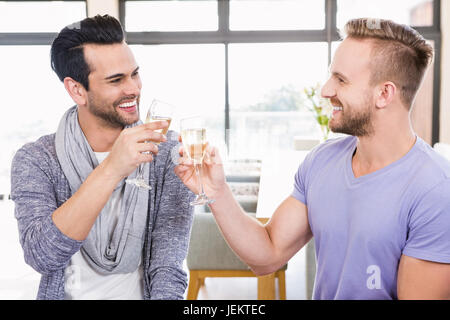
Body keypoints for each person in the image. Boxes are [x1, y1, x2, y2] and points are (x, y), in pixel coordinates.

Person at [175, 18, 450, 299]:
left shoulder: (435, 191)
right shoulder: (322, 161)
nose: (325, 90)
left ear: (384, 93)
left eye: (341, 80)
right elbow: (268, 254)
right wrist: (217, 192)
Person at [10, 14, 194, 300]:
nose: (133, 88)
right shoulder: (36, 160)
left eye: (134, 73)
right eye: (116, 80)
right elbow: (42, 256)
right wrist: (111, 169)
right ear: (77, 90)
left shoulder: (166, 151)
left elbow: (168, 265)